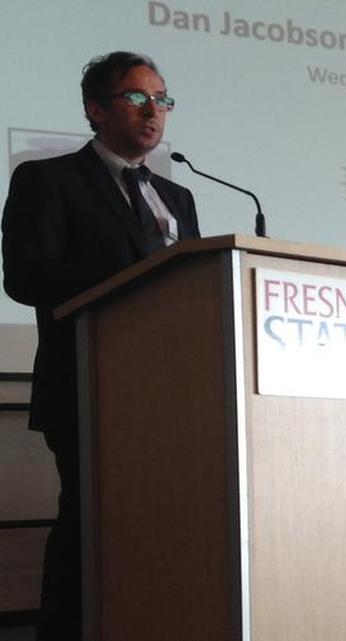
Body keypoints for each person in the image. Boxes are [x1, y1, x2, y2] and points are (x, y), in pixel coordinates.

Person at [2, 51, 200, 641]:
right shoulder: (47, 180)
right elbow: (25, 277)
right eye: (137, 97)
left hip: (172, 398)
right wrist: (121, 282)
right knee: (89, 525)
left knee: (162, 527)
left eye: (161, 100)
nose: (153, 111)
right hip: (90, 386)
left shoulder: (178, 197)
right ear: (95, 109)